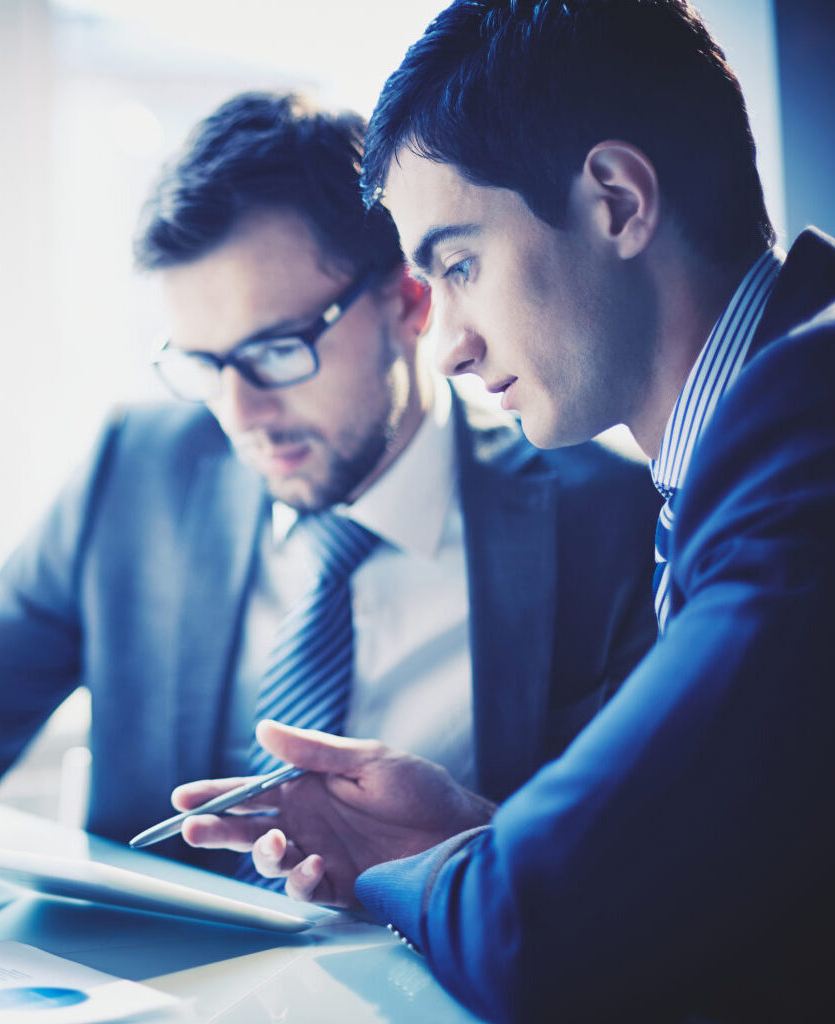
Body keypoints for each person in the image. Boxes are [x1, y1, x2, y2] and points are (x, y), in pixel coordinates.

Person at [0, 91, 659, 921]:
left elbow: (641, 869)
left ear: (408, 301)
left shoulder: (602, 522)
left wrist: (475, 845)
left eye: (276, 351)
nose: (240, 415)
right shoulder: (139, 472)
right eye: (204, 364)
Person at [175, 3, 835, 1022]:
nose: (447, 347)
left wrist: (449, 866)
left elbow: (541, 927)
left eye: (459, 265)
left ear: (616, 201)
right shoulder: (753, 432)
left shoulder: (803, 437)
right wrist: (483, 839)